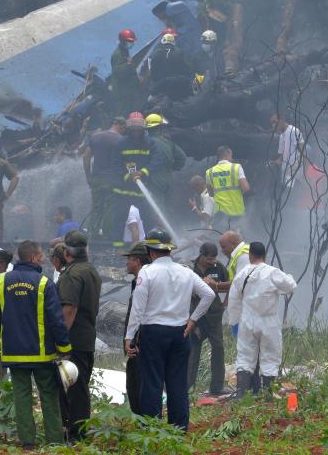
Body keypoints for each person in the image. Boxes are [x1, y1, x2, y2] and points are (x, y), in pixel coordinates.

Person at [125, 229, 215, 429]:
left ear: (150, 252)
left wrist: (129, 337)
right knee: (177, 384)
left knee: (152, 383)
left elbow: (137, 309)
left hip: (152, 333)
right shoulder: (185, 271)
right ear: (169, 250)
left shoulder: (146, 273)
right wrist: (193, 320)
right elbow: (208, 294)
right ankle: (179, 428)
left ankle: (152, 429)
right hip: (180, 333)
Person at [0, 240, 72, 448]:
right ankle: (54, 441)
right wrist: (64, 348)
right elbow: (56, 319)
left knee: (21, 398)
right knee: (49, 396)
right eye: (41, 255)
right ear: (33, 257)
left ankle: (27, 442)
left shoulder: (2, 282)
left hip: (14, 354)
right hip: (42, 353)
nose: (43, 258)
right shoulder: (43, 283)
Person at [227, 242, 296, 396]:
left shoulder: (242, 274)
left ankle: (241, 393)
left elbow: (234, 300)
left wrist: (234, 322)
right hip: (269, 321)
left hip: (247, 321)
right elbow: (291, 286)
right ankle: (268, 394)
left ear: (250, 255)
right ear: (265, 256)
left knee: (245, 356)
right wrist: (287, 278)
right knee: (270, 356)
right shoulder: (272, 272)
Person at [57, 231, 102, 441]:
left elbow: (69, 309)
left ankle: (75, 434)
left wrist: (60, 340)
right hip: (86, 337)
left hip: (73, 339)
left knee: (73, 388)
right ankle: (79, 430)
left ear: (67, 253)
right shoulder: (90, 270)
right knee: (80, 386)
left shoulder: (72, 274)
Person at [108, 113, 162, 242]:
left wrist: (142, 172)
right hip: (123, 190)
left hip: (142, 190)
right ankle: (117, 249)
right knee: (119, 220)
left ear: (143, 129)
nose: (136, 132)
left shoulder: (151, 144)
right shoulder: (121, 144)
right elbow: (115, 164)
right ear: (129, 129)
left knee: (148, 219)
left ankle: (151, 245)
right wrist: (127, 176)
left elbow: (157, 161)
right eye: (134, 130)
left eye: (139, 130)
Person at [188, 242, 229, 397]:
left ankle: (217, 387)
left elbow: (232, 285)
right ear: (201, 255)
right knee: (193, 352)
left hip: (214, 315)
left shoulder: (218, 267)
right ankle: (188, 387)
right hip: (196, 317)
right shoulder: (190, 269)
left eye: (214, 259)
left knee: (218, 348)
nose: (212, 262)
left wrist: (217, 287)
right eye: (209, 259)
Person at [83, 117, 126, 240]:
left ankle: (92, 237)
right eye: (124, 128)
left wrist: (88, 177)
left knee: (96, 208)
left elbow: (86, 158)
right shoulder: (122, 140)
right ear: (121, 126)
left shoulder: (95, 137)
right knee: (110, 209)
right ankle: (108, 239)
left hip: (96, 179)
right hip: (113, 180)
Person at [120, 242, 150, 414]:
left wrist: (131, 340)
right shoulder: (137, 282)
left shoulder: (143, 282)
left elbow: (139, 314)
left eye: (129, 259)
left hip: (140, 343)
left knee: (137, 383)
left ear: (137, 261)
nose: (127, 263)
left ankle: (143, 421)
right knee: (133, 383)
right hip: (137, 342)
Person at [145, 113, 186, 215]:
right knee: (167, 207)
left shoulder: (145, 143)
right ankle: (171, 228)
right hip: (168, 179)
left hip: (152, 179)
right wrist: (173, 167)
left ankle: (158, 228)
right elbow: (182, 158)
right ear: (160, 127)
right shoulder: (168, 143)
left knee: (155, 208)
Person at [205, 146, 251, 231]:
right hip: (236, 211)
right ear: (228, 154)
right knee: (236, 239)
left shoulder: (209, 172)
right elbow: (246, 188)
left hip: (219, 213)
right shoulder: (236, 167)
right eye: (231, 155)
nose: (232, 158)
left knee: (222, 238)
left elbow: (211, 194)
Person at [111, 29, 145, 117]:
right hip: (122, 93)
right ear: (123, 41)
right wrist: (129, 64)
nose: (132, 43)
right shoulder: (118, 54)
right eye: (130, 41)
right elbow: (118, 72)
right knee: (123, 116)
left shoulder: (124, 51)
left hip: (128, 91)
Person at [148, 33, 192, 100]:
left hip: (161, 89)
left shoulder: (155, 54)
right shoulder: (179, 52)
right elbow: (186, 70)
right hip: (177, 88)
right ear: (173, 42)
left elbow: (153, 74)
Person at [270, 112, 305, 188]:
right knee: (285, 195)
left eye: (275, 122)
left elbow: (303, 152)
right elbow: (282, 156)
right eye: (272, 123)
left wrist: (297, 166)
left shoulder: (294, 131)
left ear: (282, 120)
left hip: (295, 174)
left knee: (293, 195)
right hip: (286, 174)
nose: (273, 125)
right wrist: (275, 162)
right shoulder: (282, 136)